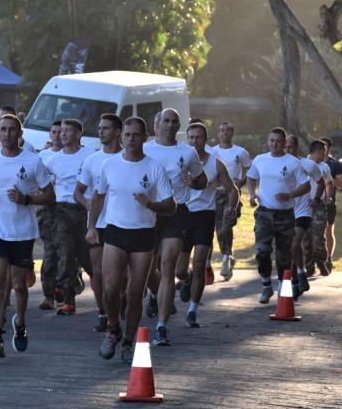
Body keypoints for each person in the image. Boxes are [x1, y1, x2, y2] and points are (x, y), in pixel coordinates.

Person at [87, 117, 175, 364]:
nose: (130, 139)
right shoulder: (109, 165)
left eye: (136, 135)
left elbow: (171, 205)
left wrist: (151, 204)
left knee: (135, 294)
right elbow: (98, 196)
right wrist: (92, 226)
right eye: (127, 135)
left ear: (144, 137)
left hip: (143, 234)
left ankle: (128, 340)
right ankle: (113, 329)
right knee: (110, 289)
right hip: (115, 231)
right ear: (121, 136)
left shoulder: (154, 167)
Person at [0, 114, 54, 359]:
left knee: (19, 285)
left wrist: (27, 199)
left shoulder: (33, 161)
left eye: (12, 130)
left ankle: (20, 323)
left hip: (22, 232)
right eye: (3, 130)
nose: (7, 134)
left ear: (20, 134)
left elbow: (50, 195)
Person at [142, 108, 207, 347]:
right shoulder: (145, 148)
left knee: (168, 266)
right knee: (148, 269)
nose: (169, 125)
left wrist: (195, 181)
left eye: (174, 122)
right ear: (156, 124)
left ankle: (161, 327)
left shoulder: (187, 152)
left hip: (176, 212)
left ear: (178, 126)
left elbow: (202, 180)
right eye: (165, 121)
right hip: (148, 212)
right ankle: (155, 294)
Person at [176, 122, 238, 328]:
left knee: (200, 262)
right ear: (187, 139)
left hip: (205, 215)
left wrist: (232, 206)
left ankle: (192, 311)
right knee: (180, 270)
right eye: (191, 137)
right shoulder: (180, 160)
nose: (194, 141)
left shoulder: (215, 164)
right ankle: (187, 279)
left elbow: (232, 189)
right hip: (183, 214)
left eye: (198, 137)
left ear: (206, 139)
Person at [246, 127, 310, 303]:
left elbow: (307, 186)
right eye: (271, 140)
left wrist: (290, 195)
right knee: (262, 252)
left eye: (278, 141)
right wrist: (252, 195)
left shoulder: (293, 162)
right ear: (268, 141)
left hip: (285, 215)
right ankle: (266, 286)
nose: (274, 144)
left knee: (284, 255)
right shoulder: (260, 159)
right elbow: (250, 178)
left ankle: (284, 287)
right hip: (264, 213)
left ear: (284, 143)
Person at [74, 113, 123, 332]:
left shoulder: (128, 157)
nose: (101, 131)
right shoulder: (92, 160)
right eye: (100, 127)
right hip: (98, 224)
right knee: (98, 272)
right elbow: (78, 191)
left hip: (123, 224)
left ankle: (119, 302)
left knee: (123, 274)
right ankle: (103, 312)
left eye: (106, 128)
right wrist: (89, 207)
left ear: (117, 132)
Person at [46, 119, 94, 315]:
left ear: (78, 134)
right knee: (65, 252)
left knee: (88, 257)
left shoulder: (90, 156)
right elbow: (45, 186)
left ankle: (109, 295)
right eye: (61, 131)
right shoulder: (53, 160)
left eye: (68, 131)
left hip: (85, 210)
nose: (62, 134)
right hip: (61, 210)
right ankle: (68, 301)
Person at [285, 136, 328, 298]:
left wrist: (316, 199)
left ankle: (299, 274)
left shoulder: (307, 164)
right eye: (286, 147)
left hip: (303, 211)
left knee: (296, 242)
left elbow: (321, 182)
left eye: (291, 147)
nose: (288, 150)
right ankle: (298, 277)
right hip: (285, 212)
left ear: (297, 148)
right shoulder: (277, 163)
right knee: (289, 250)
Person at [210, 122, 251, 281]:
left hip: (232, 194)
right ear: (218, 133)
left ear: (232, 133)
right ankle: (227, 256)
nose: (224, 133)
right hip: (215, 194)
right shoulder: (213, 151)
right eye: (221, 130)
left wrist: (241, 182)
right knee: (218, 228)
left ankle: (226, 258)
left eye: (227, 130)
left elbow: (249, 168)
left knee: (226, 224)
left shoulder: (240, 152)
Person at [37, 121, 63, 310]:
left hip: (67, 209)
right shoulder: (42, 157)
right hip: (47, 209)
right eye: (53, 132)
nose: (56, 135)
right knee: (49, 251)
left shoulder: (77, 155)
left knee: (66, 253)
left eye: (60, 132)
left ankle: (67, 286)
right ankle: (48, 294)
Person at [317, 137, 342, 276]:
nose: (322, 149)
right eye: (320, 147)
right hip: (312, 203)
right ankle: (314, 260)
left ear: (329, 148)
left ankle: (328, 258)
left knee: (328, 231)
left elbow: (341, 184)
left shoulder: (335, 165)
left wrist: (327, 177)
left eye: (325, 146)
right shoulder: (311, 163)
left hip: (329, 203)